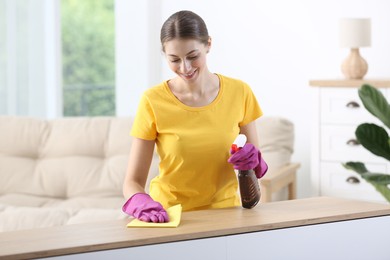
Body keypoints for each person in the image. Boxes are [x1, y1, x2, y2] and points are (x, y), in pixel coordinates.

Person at [122, 10, 268, 223]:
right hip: (169, 217)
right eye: (174, 60)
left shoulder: (240, 92)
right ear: (164, 54)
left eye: (192, 56)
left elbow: (254, 166)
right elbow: (132, 181)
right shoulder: (152, 100)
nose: (185, 68)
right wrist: (140, 202)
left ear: (208, 44)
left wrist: (253, 162)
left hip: (226, 216)